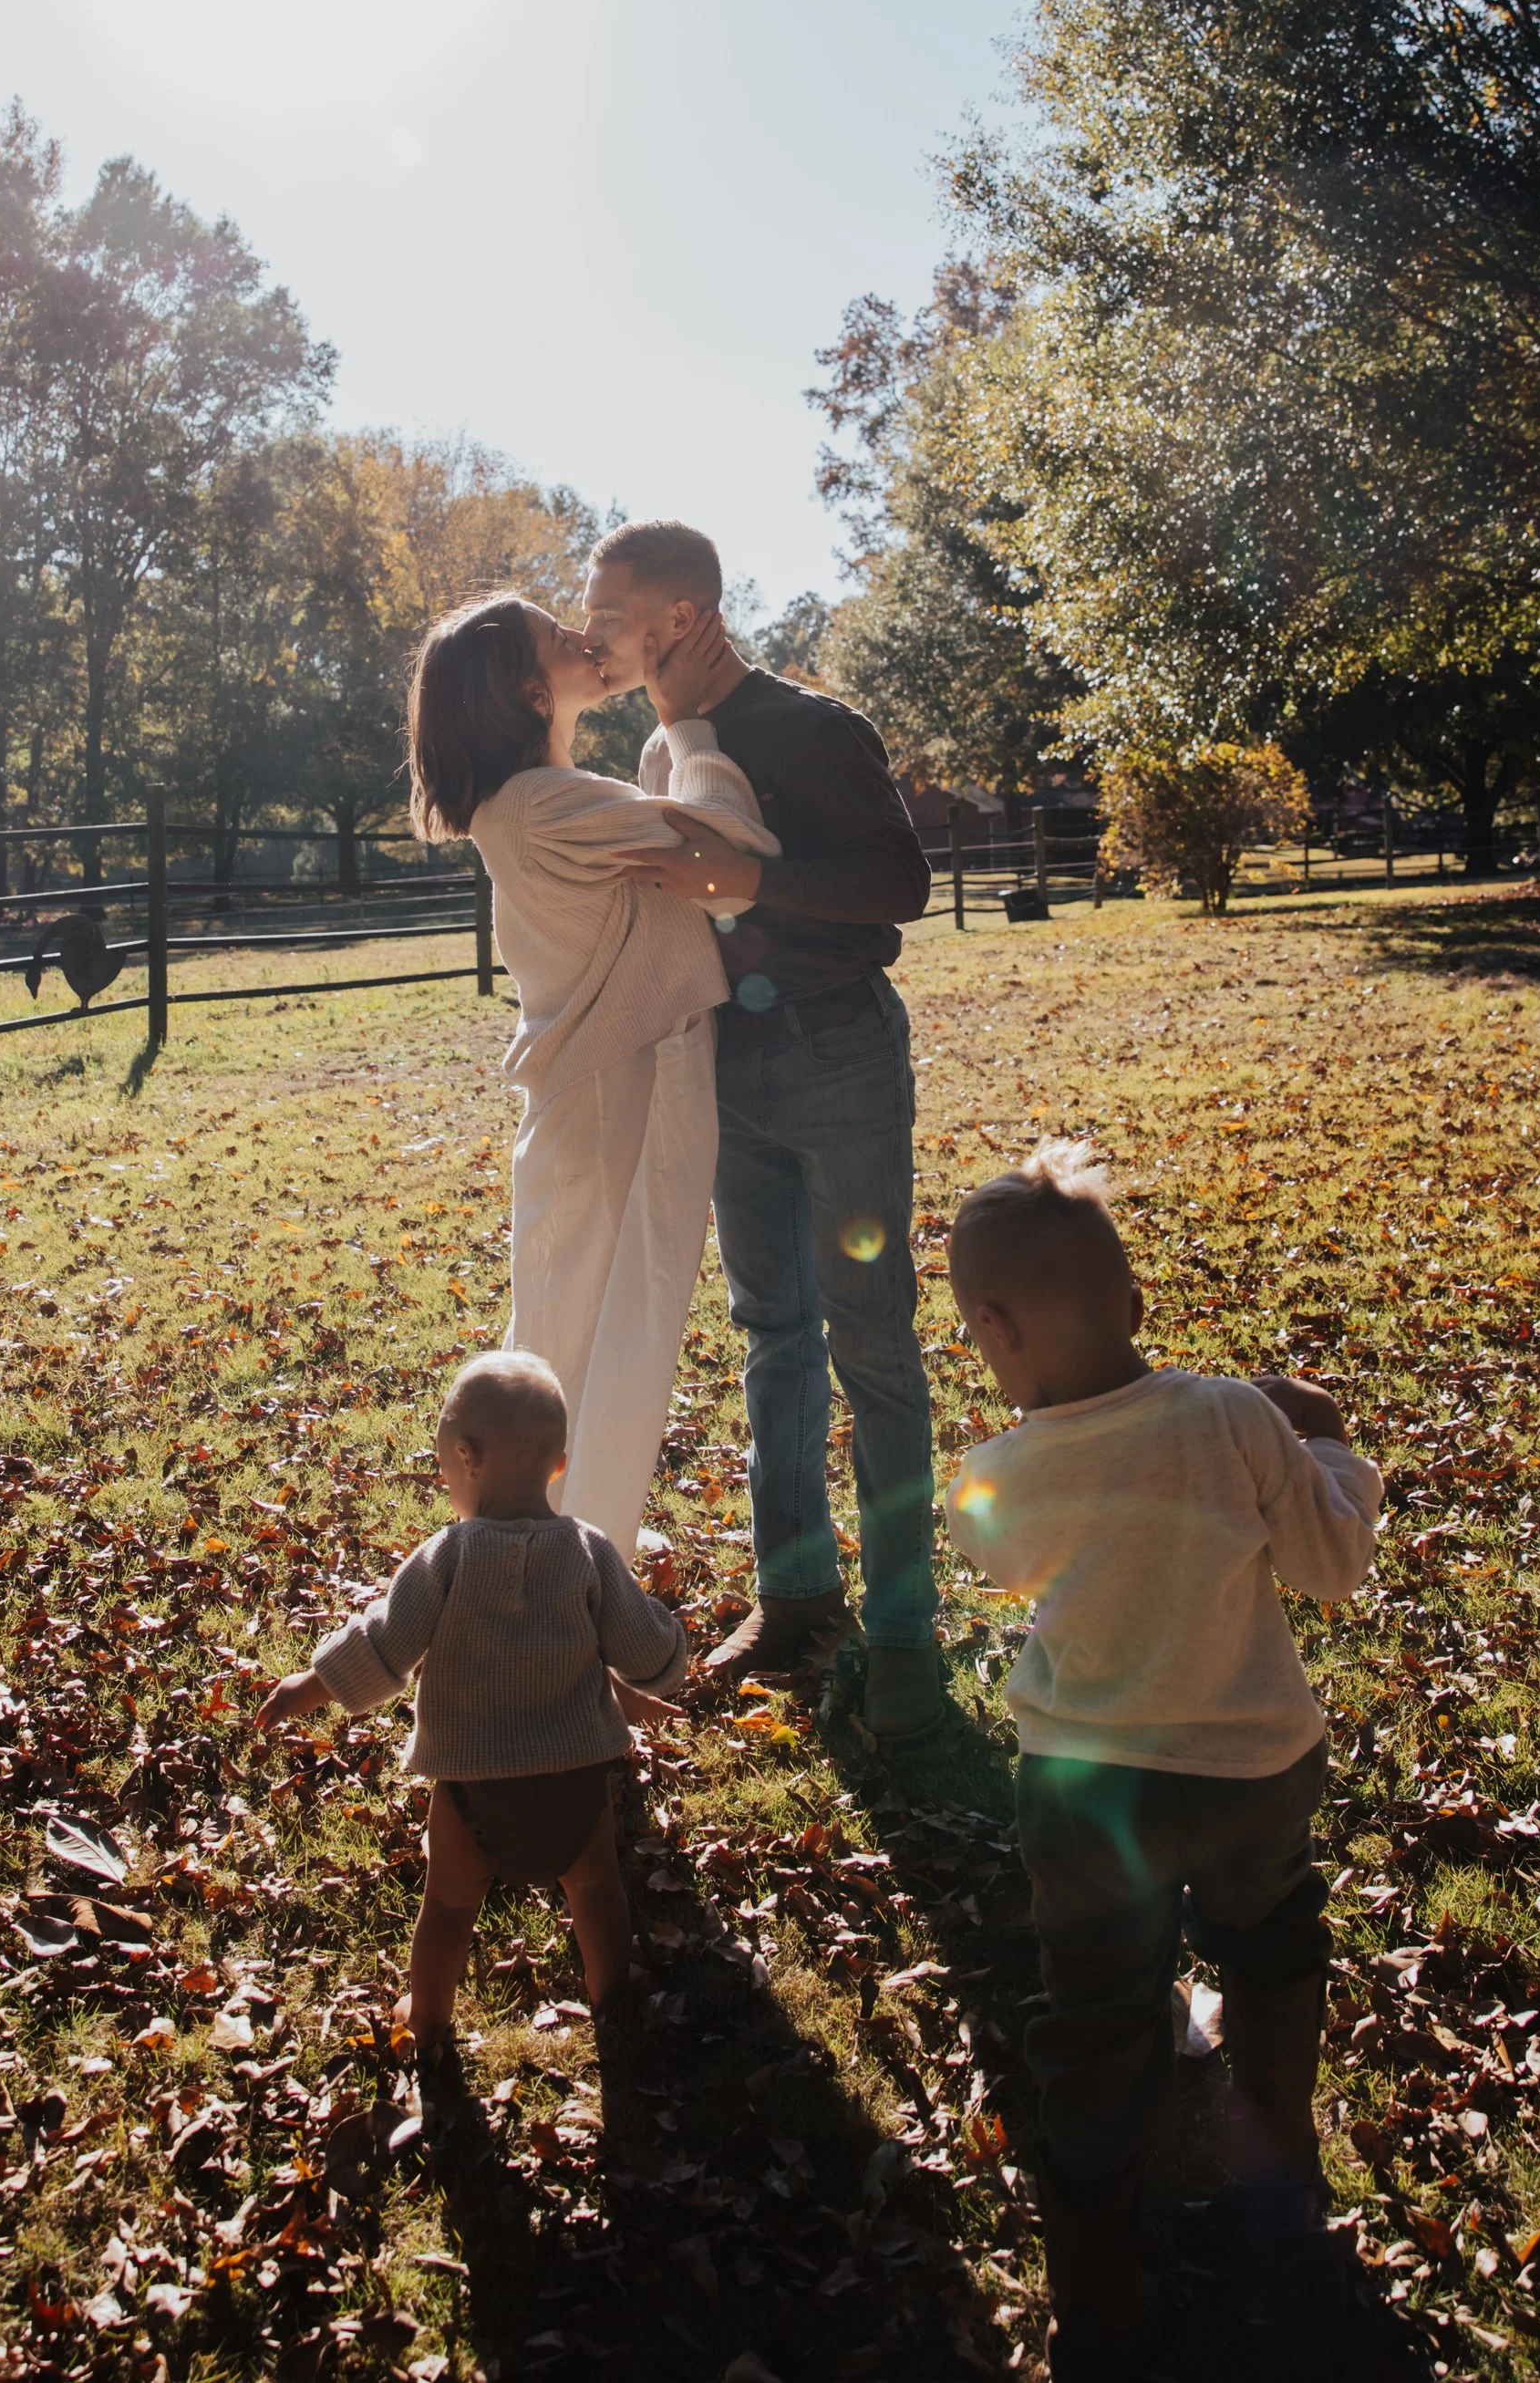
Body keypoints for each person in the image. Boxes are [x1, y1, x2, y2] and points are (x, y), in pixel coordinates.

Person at [943, 1138, 1383, 2379]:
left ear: (994, 1329)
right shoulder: (1236, 1418)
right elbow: (1330, 1567)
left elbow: (1008, 1564)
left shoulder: (993, 1477)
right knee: (1270, 1934)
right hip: (1249, 1769)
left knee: (1094, 2002)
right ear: (1137, 1305)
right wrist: (1330, 1448)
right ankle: (1276, 2143)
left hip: (1085, 1785)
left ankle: (1097, 2269)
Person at [578, 520, 941, 1738]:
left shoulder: (818, 728)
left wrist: (751, 883)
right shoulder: (659, 747)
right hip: (728, 1067)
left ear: (679, 615)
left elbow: (902, 885)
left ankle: (899, 1626)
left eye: (609, 603)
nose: (592, 625)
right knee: (772, 1332)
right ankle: (794, 1598)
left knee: (873, 1340)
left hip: (840, 1052)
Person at [406, 592, 779, 1558]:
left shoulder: (546, 800)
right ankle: (551, 1557)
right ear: (535, 689)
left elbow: (678, 833)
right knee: (602, 1334)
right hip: (620, 1087)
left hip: (616, 1083)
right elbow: (738, 846)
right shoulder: (544, 807)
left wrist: (668, 748)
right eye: (559, 636)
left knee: (583, 1322)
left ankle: (553, 1543)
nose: (584, 638)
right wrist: (686, 722)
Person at [255, 1351, 687, 2045]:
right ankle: (612, 1997)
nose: (447, 1480)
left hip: (470, 1790)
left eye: (445, 1468)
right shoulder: (589, 1550)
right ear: (558, 1466)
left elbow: (385, 1642)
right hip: (576, 1781)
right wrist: (672, 1655)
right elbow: (642, 1647)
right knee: (597, 1891)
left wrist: (310, 1685)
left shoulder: (446, 1556)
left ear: (467, 1457)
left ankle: (427, 2019)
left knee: (450, 1904)